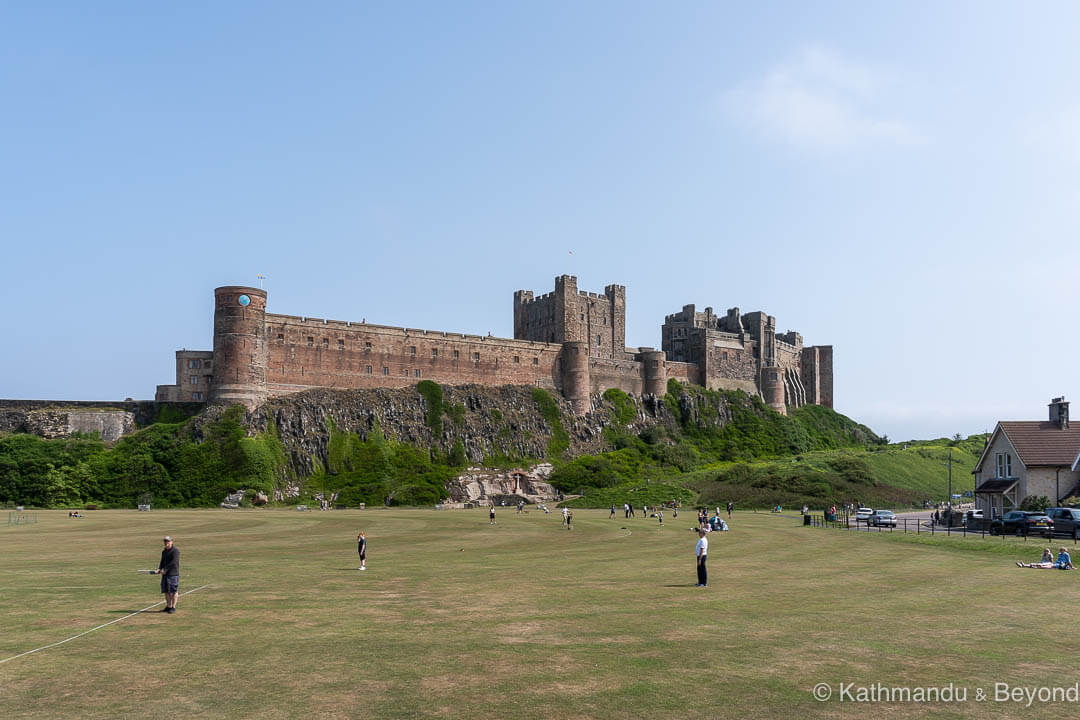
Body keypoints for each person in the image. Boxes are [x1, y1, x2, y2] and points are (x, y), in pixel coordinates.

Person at [156, 536, 180, 613]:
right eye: (165, 541)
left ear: (172, 542)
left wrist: (165, 569)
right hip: (165, 574)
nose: (166, 543)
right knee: (166, 591)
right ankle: (168, 606)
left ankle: (173, 607)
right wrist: (159, 569)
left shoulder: (175, 551)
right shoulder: (164, 551)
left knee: (173, 591)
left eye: (168, 541)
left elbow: (173, 562)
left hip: (173, 574)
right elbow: (162, 561)